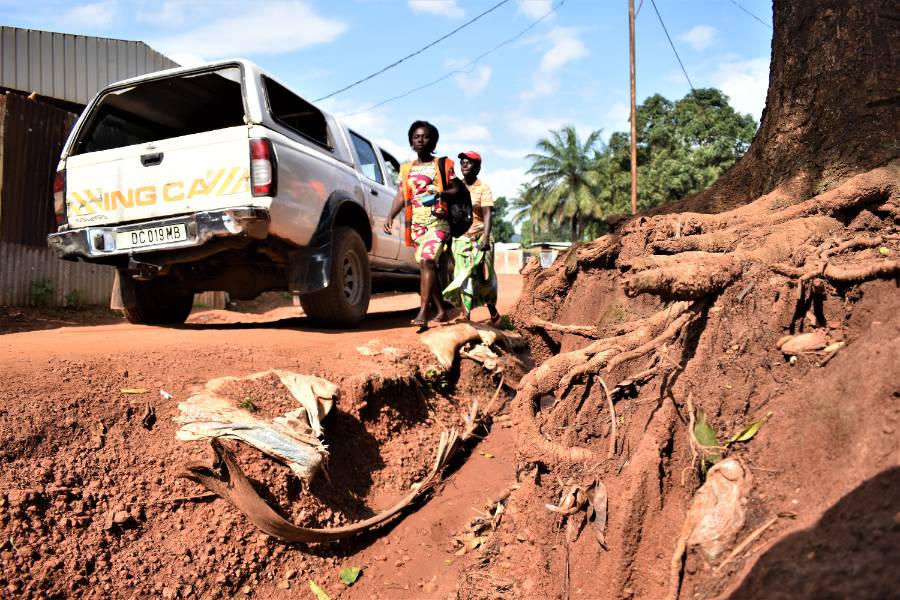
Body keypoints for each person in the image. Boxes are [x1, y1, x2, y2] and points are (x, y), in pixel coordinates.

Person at [383, 120, 460, 328]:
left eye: (425, 136)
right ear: (411, 141)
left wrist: (440, 192)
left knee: (427, 262)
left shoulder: (442, 165)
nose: (420, 140)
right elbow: (401, 194)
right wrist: (390, 215)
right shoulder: (406, 168)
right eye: (416, 137)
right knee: (428, 267)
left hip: (438, 223)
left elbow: (457, 190)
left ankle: (423, 312)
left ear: (433, 141)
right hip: (417, 226)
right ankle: (442, 310)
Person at [443, 150, 500, 325]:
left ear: (478, 167)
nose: (464, 165)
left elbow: (488, 214)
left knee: (484, 277)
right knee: (463, 275)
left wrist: (486, 237)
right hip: (461, 239)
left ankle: (493, 311)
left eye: (469, 162)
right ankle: (465, 315)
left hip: (481, 237)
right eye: (462, 162)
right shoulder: (455, 187)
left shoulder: (483, 188)